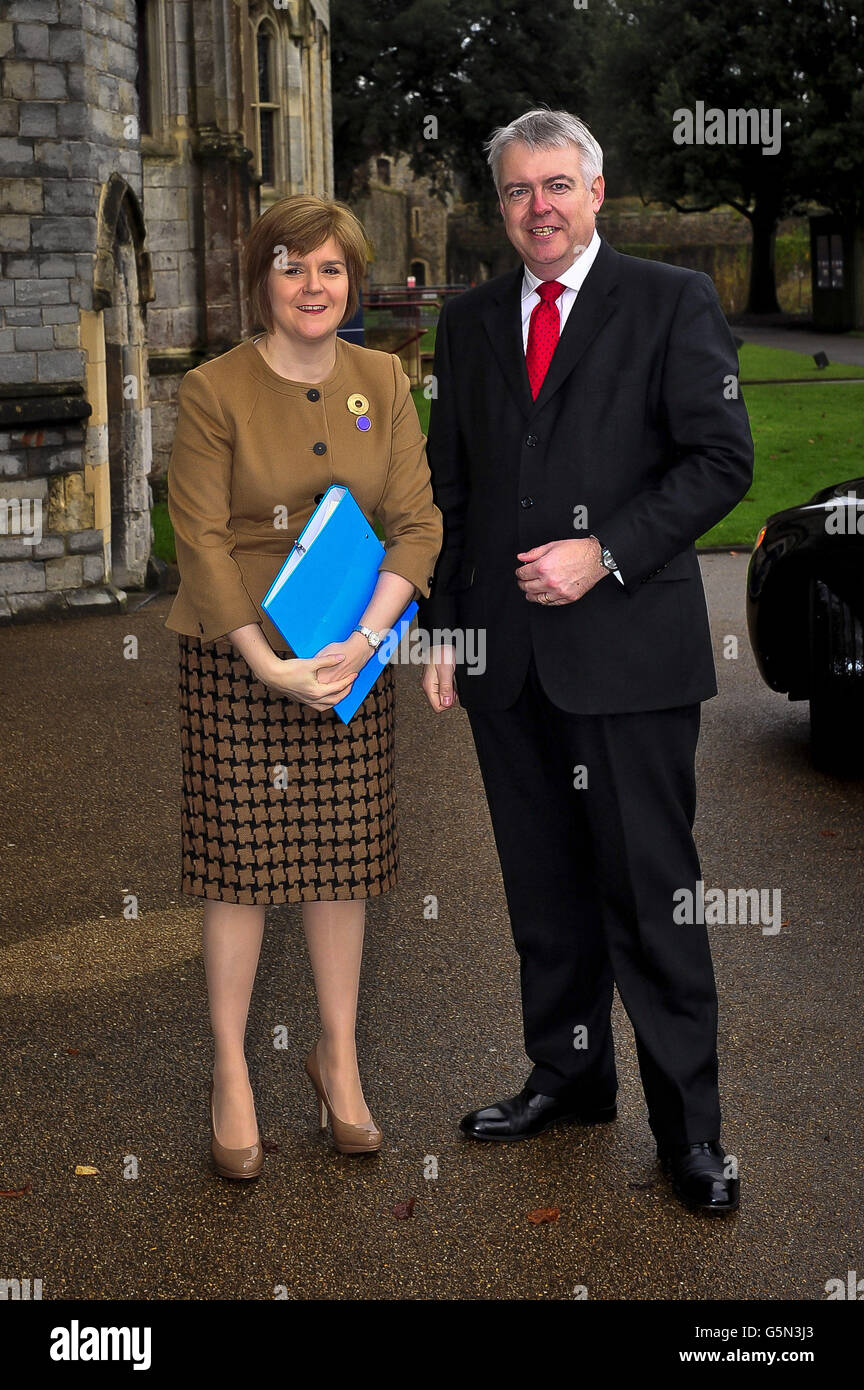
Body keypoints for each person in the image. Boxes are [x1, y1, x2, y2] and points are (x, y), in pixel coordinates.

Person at [419, 109, 753, 1214]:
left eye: (557, 185)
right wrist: (443, 629)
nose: (539, 208)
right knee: (545, 894)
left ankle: (692, 1134)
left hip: (630, 664)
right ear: (501, 206)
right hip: (506, 667)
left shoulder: (670, 302)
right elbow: (450, 493)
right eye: (518, 191)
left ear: (597, 191)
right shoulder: (467, 325)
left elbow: (720, 461)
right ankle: (568, 1077)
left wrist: (602, 552)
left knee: (652, 900)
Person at [165, 194, 442, 1176]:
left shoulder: (386, 379)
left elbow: (416, 521)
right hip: (239, 655)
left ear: (351, 281)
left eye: (329, 269)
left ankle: (338, 1055)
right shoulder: (211, 389)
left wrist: (366, 640)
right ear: (261, 281)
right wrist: (263, 656)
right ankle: (232, 1071)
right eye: (291, 267)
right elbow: (196, 534)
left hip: (347, 657)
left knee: (343, 857)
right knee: (239, 864)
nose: (312, 286)